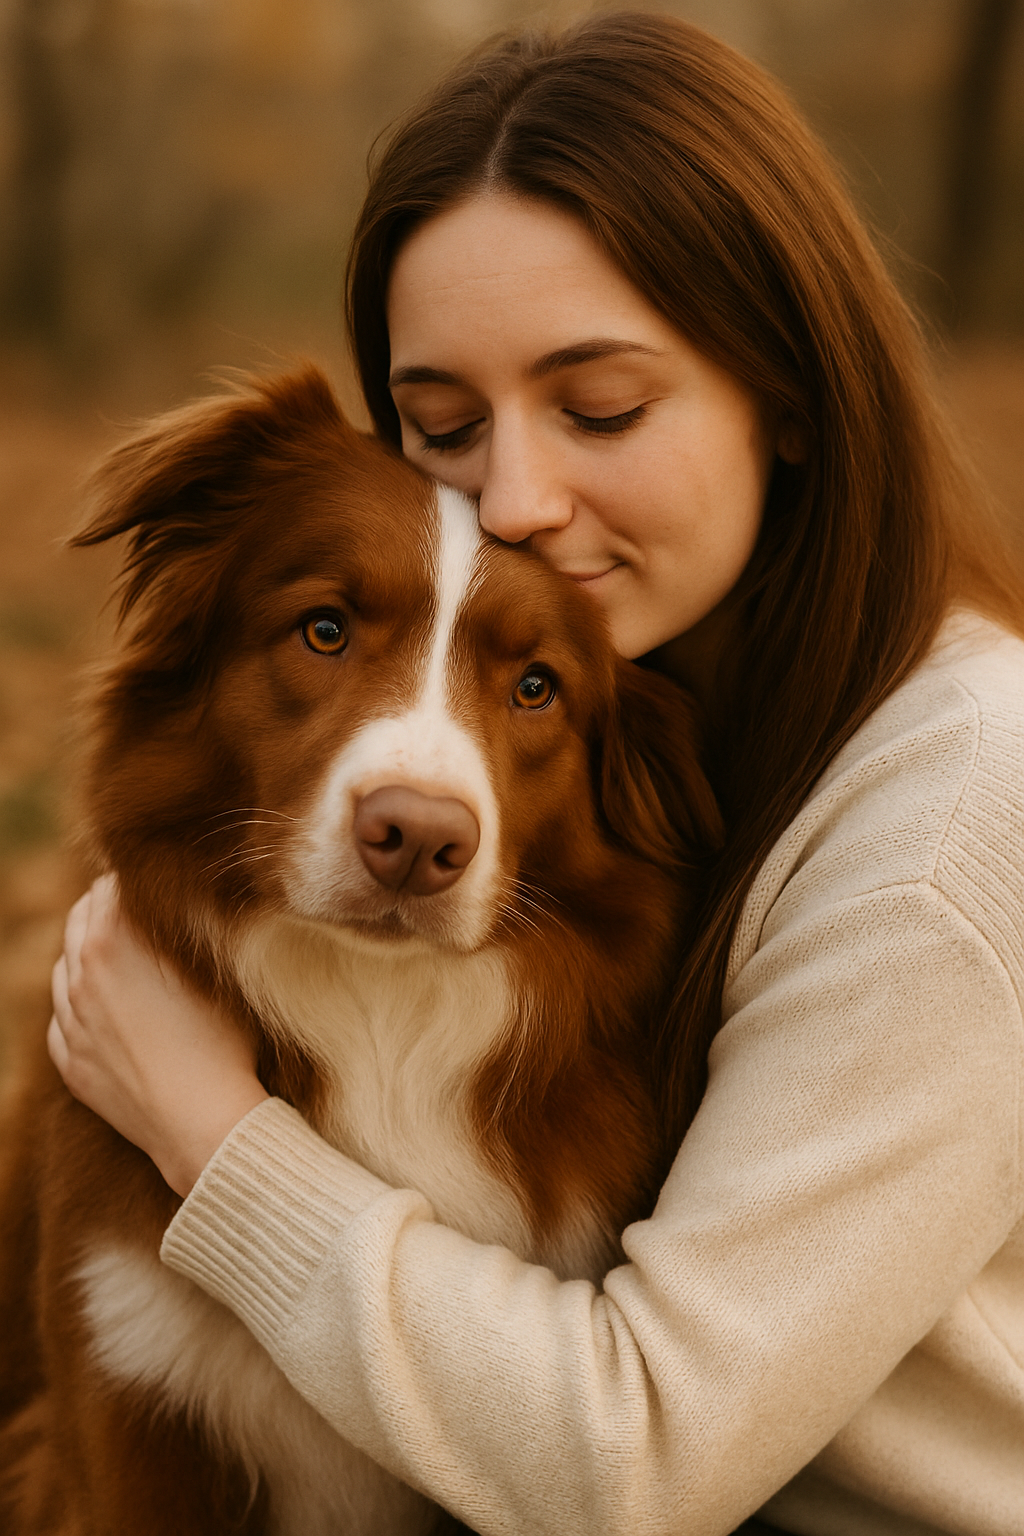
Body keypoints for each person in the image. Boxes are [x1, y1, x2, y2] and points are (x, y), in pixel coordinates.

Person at [46, 12, 1024, 1535]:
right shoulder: (676, 688)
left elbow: (632, 1462)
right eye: (441, 425)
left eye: (602, 408)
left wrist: (207, 1131)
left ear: (787, 388)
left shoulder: (958, 806)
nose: (511, 498)